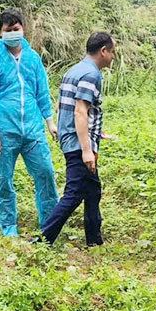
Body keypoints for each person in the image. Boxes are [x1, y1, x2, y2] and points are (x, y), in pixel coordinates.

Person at [0, 8, 59, 237]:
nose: (13, 33)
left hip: (33, 129)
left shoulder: (33, 59)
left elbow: (41, 91)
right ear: (0, 32)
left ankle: (50, 222)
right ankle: (8, 226)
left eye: (16, 29)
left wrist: (50, 121)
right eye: (8, 30)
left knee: (45, 173)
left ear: (23, 29)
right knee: (3, 179)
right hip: (5, 131)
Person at [39, 32, 116, 246]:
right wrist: (86, 149)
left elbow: (64, 106)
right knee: (73, 194)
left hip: (71, 138)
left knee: (92, 190)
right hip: (78, 143)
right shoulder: (92, 75)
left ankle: (94, 240)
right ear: (103, 51)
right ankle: (42, 239)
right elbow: (80, 112)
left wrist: (97, 133)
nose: (113, 57)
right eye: (112, 52)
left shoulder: (74, 70)